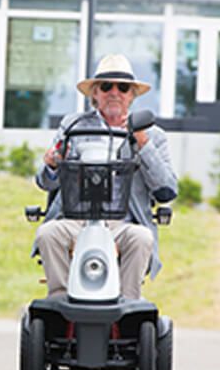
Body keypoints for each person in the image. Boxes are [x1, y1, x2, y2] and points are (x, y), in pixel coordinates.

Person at [34, 54, 179, 301]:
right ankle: (60, 299)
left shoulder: (153, 135)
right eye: (106, 86)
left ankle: (128, 303)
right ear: (95, 94)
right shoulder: (74, 126)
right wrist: (52, 164)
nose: (114, 93)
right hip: (77, 219)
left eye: (122, 87)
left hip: (123, 223)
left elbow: (166, 190)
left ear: (132, 95)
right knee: (48, 233)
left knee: (142, 237)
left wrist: (142, 143)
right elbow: (45, 182)